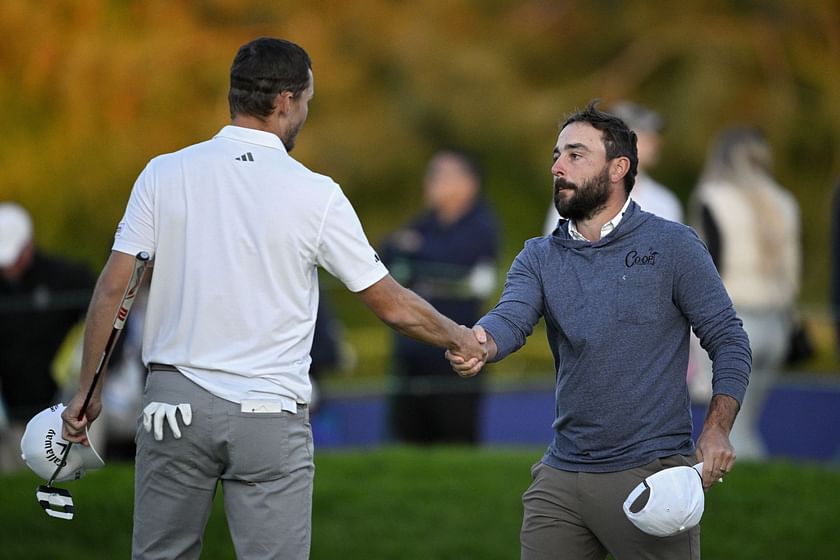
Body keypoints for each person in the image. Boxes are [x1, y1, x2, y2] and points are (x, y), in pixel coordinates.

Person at [60, 37, 485, 560]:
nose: (306, 111)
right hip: (268, 414)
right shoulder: (316, 192)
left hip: (173, 407)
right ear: (285, 101)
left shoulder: (164, 173)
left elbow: (113, 287)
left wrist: (88, 390)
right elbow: (391, 304)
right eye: (307, 100)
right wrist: (462, 338)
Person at [448, 102, 751, 560]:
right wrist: (481, 343)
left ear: (618, 168)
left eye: (575, 155)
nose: (557, 167)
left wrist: (716, 428)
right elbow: (509, 318)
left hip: (653, 478)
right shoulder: (537, 256)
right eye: (556, 155)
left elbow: (729, 339)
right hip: (562, 478)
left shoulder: (673, 245)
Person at [689, 126, 800, 460]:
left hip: (733, 323)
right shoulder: (785, 200)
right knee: (746, 423)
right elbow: (794, 272)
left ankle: (741, 497)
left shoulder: (714, 197)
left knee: (730, 430)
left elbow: (706, 268)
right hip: (776, 323)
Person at [380, 149, 500, 444]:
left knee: (455, 438)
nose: (431, 182)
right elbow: (385, 253)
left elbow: (457, 258)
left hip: (457, 351)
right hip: (412, 350)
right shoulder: (424, 223)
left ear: (469, 183)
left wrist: (416, 253)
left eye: (441, 175)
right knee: (406, 440)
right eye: (431, 174)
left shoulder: (482, 225)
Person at [0, 202, 95, 472]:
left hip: (61, 406)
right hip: (8, 409)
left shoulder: (65, 277)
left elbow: (102, 317)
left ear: (28, 246)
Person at [543, 100, 682, 235]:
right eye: (644, 133)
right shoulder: (579, 195)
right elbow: (556, 253)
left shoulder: (664, 201)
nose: (655, 140)